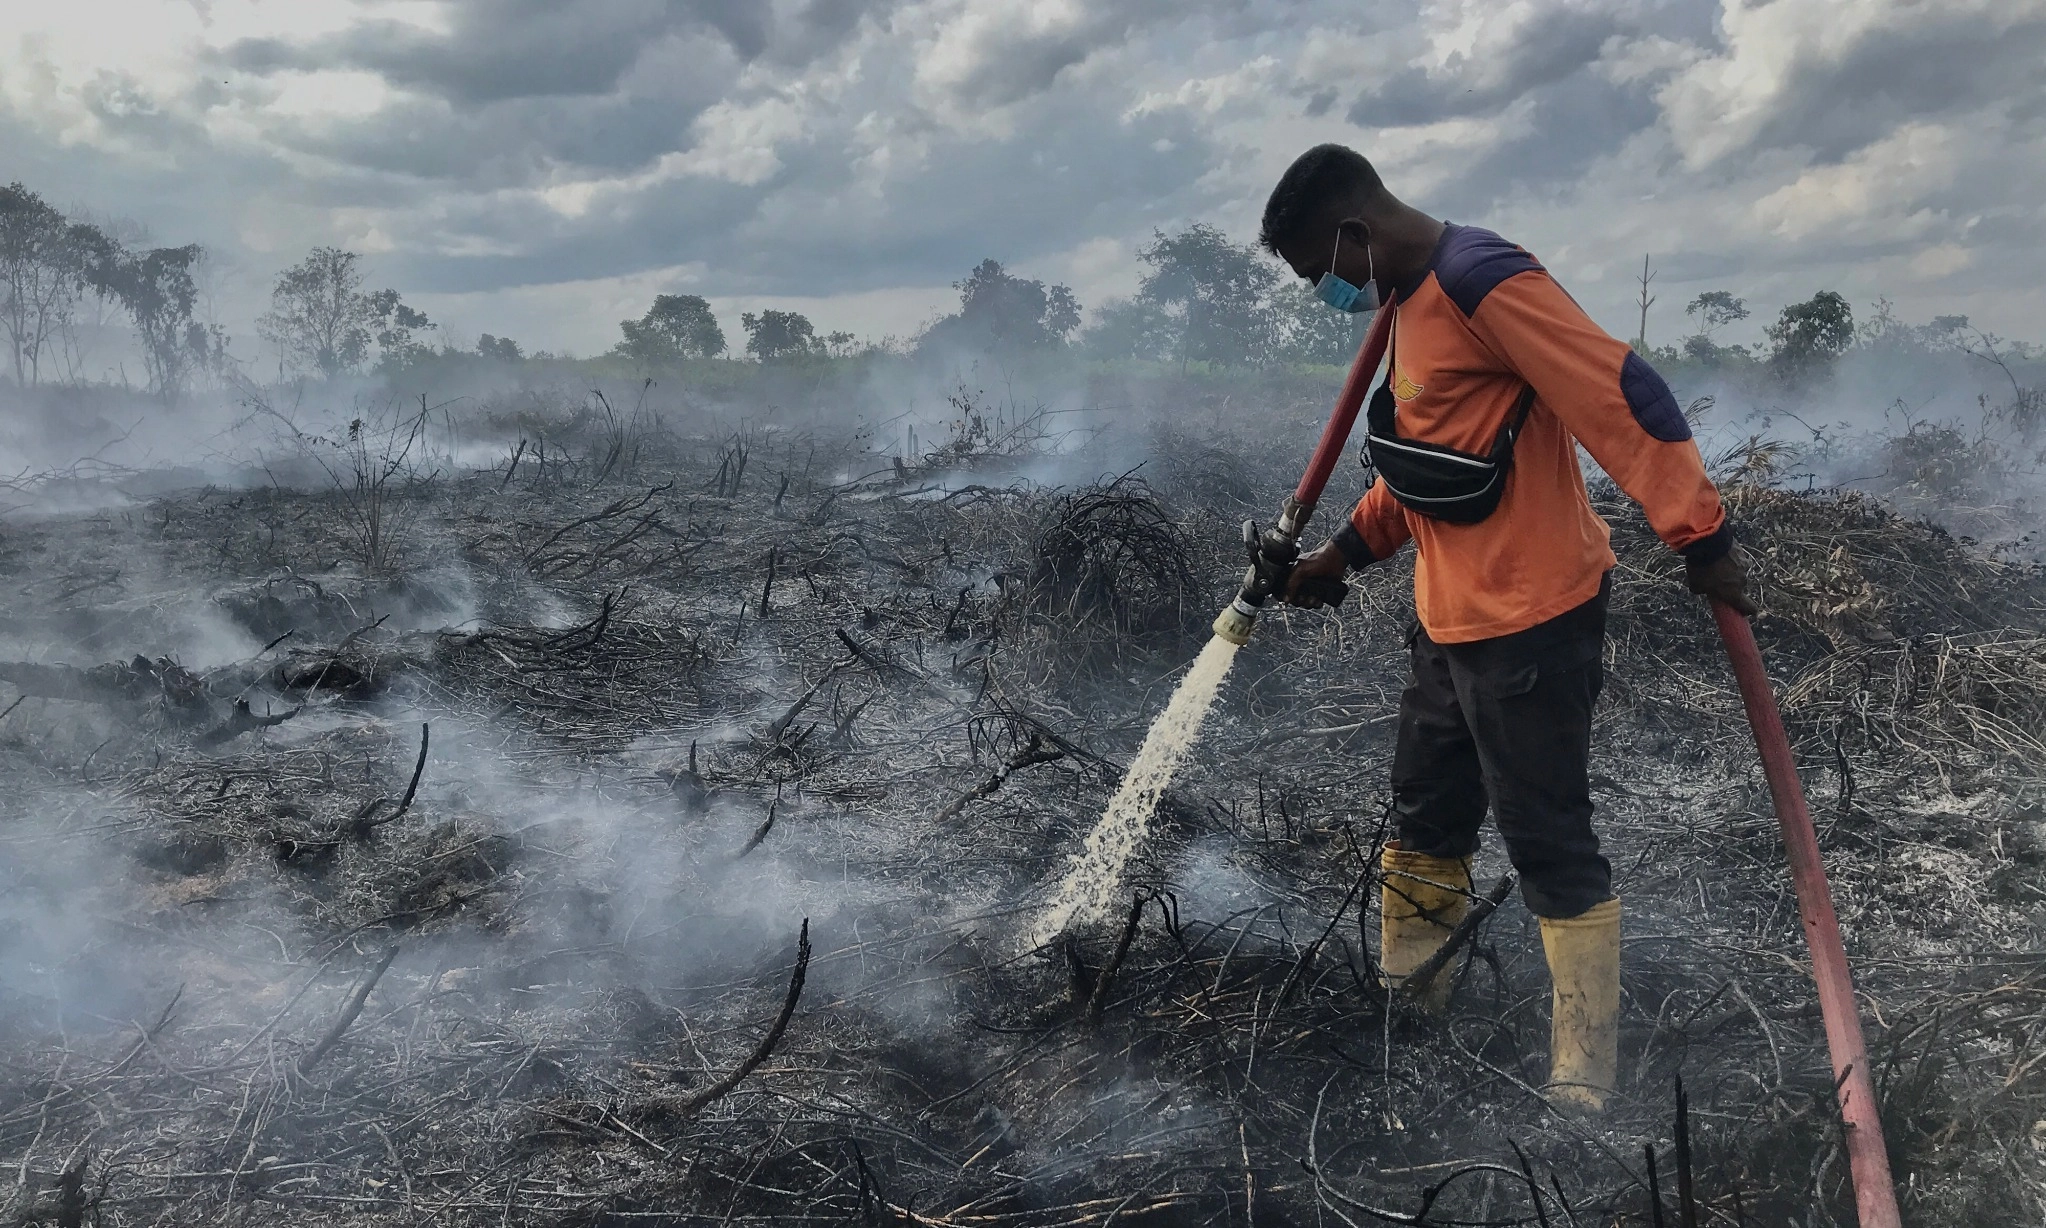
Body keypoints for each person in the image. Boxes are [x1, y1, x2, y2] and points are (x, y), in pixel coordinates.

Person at [1260, 143, 1754, 1112]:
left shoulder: (1484, 280)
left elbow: (1624, 394)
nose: (1327, 294)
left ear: (1356, 232)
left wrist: (1701, 536)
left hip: (1533, 621)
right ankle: (1413, 1005)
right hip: (1449, 623)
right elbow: (1428, 465)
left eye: (1322, 272)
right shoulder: (1407, 306)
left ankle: (1583, 1080)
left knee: (1547, 840)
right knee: (1424, 819)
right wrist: (1341, 556)